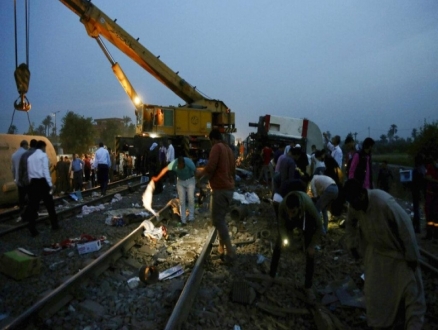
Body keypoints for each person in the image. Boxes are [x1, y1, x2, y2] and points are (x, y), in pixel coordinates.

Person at [343, 178, 426, 328]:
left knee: (412, 292)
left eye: (355, 201)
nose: (354, 206)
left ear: (362, 194)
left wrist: (412, 255)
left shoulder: (383, 202)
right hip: (377, 252)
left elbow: (406, 227)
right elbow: (350, 223)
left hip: (398, 253)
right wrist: (352, 245)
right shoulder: (355, 205)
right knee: (373, 291)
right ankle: (381, 323)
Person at [269, 191, 323, 300]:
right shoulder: (283, 206)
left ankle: (308, 286)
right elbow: (281, 224)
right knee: (278, 244)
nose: (290, 214)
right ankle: (271, 275)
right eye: (289, 211)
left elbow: (319, 226)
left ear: (298, 208)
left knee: (310, 253)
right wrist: (285, 238)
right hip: (292, 220)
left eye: (293, 211)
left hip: (306, 219)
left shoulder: (309, 207)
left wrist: (312, 245)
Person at [196, 129, 235, 263]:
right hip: (228, 188)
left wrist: (199, 173)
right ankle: (221, 248)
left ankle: (230, 251)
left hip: (220, 189)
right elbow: (232, 169)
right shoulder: (228, 149)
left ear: (212, 139)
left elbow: (211, 167)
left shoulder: (216, 147)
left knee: (218, 221)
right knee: (220, 219)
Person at [22, 140, 60, 236]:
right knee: (50, 205)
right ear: (43, 147)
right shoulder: (43, 156)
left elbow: (29, 172)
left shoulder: (30, 158)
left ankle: (32, 228)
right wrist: (50, 184)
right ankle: (54, 225)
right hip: (43, 182)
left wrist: (30, 183)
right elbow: (46, 171)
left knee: (33, 206)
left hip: (33, 182)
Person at [153, 156, 196, 224]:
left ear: (184, 163)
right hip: (180, 181)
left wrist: (197, 182)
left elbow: (195, 171)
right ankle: (183, 219)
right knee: (182, 200)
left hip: (190, 180)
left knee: (191, 198)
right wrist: (157, 177)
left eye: (182, 166)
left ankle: (191, 217)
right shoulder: (174, 164)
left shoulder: (189, 163)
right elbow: (165, 169)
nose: (180, 167)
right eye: (179, 165)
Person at [423, 152, 438, 241]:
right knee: (429, 215)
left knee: (436, 216)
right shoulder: (430, 167)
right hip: (430, 195)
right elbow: (427, 177)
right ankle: (429, 234)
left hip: (436, 196)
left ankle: (436, 235)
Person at [11, 140, 29, 212]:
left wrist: (15, 178)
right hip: (27, 179)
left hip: (18, 179)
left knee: (21, 196)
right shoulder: (27, 153)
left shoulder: (14, 155)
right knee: (28, 196)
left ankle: (21, 210)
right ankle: (28, 212)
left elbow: (13, 169)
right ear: (25, 145)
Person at [412, 153, 426, 234]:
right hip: (422, 191)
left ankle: (417, 227)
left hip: (416, 191)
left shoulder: (416, 170)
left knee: (416, 209)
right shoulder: (423, 169)